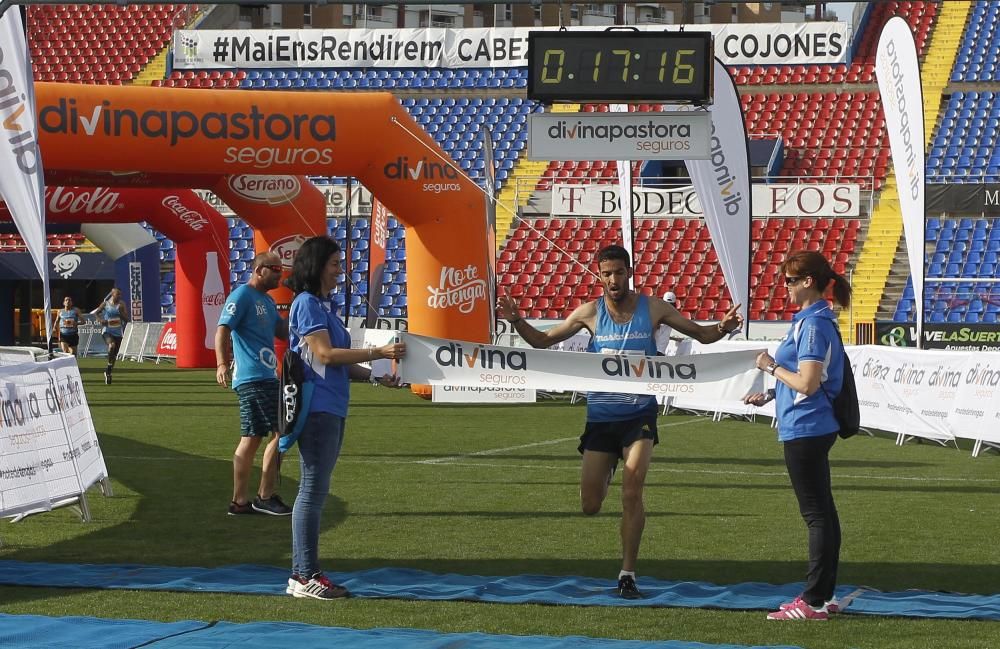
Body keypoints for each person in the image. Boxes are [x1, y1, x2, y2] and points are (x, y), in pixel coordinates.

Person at [497, 244, 742, 599]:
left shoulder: (654, 308)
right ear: (599, 276)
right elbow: (541, 341)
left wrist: (722, 326)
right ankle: (607, 465)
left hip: (639, 416)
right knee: (590, 505)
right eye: (607, 274)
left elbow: (701, 334)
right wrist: (517, 320)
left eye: (620, 272)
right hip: (601, 418)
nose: (614, 280)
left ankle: (627, 572)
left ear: (630, 273)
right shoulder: (589, 313)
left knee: (632, 492)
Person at [284, 236, 406, 600]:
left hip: (331, 404)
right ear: (318, 266)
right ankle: (305, 574)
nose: (341, 270)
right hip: (318, 407)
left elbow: (337, 361)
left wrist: (374, 375)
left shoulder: (321, 306)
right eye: (335, 263)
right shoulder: (307, 304)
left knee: (315, 489)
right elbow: (324, 355)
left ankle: (302, 573)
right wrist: (379, 351)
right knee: (312, 490)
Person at [742, 250, 851, 621]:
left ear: (808, 282)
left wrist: (770, 367)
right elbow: (810, 380)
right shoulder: (812, 320)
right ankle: (824, 596)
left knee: (817, 515)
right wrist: (772, 393)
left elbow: (805, 382)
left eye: (789, 280)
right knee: (824, 514)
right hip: (810, 423)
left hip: (806, 426)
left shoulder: (815, 324)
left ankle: (814, 601)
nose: (784, 286)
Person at [215, 252, 292, 517]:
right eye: (275, 270)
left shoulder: (268, 301)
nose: (280, 275)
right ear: (259, 270)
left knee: (253, 437)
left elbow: (281, 332)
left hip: (266, 375)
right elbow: (222, 329)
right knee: (280, 431)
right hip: (252, 376)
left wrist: (296, 305)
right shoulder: (241, 296)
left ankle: (240, 502)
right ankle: (264, 496)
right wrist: (222, 363)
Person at [91, 288, 128, 384]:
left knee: (114, 355)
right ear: (112, 294)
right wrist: (100, 320)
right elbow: (96, 313)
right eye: (117, 294)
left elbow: (126, 319)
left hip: (118, 332)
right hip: (107, 330)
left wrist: (121, 313)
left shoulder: (121, 305)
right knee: (111, 345)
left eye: (120, 294)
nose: (119, 296)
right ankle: (108, 369)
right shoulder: (105, 304)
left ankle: (108, 371)